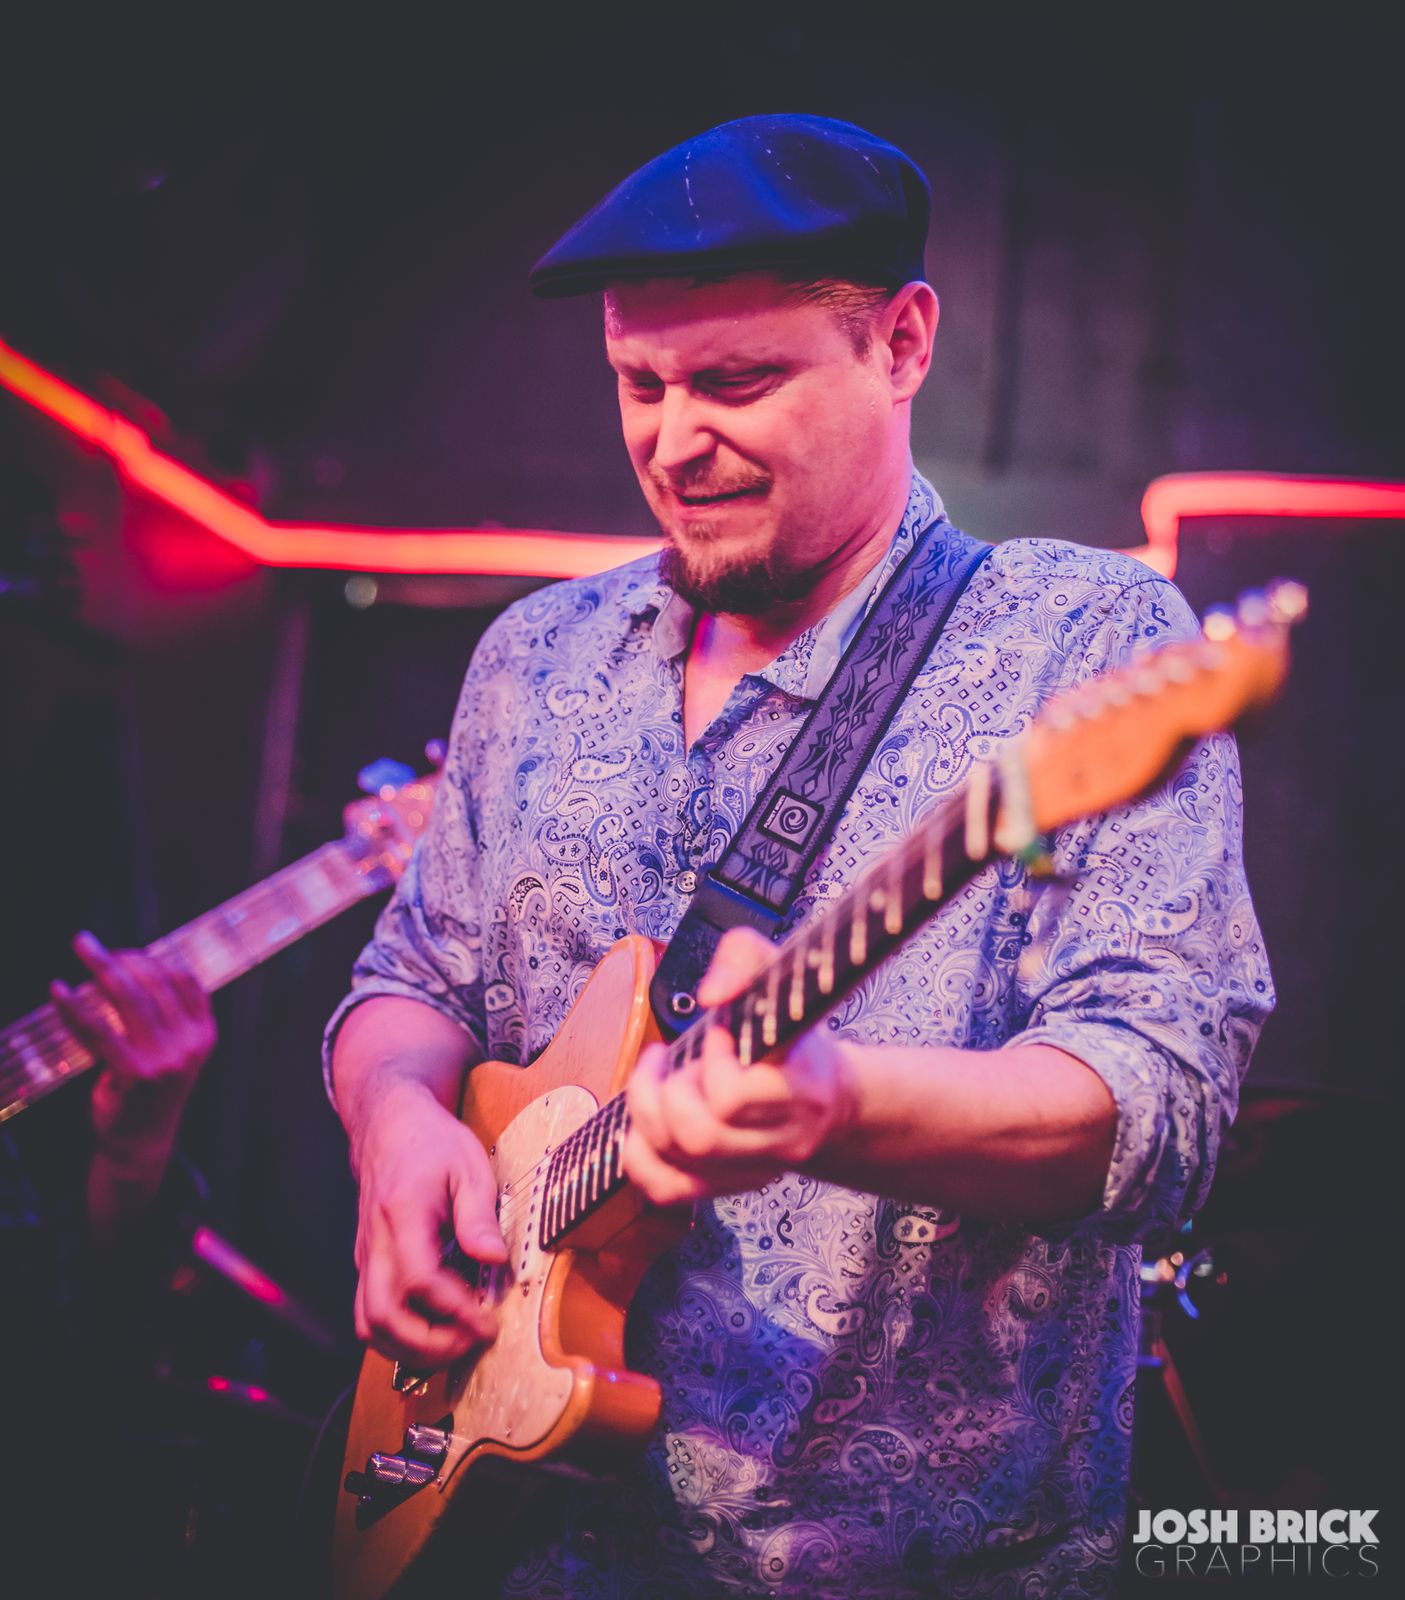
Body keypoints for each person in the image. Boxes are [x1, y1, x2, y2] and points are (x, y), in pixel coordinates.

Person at [324, 114, 1272, 1597]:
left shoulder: (1081, 643)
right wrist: (395, 1125)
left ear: (902, 344)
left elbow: (1160, 1103)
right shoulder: (535, 656)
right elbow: (412, 979)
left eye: (736, 382)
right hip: (520, 1542)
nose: (671, 440)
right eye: (640, 384)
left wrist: (837, 1105)